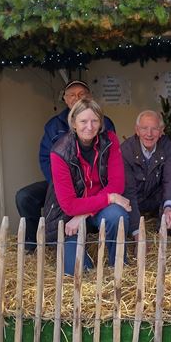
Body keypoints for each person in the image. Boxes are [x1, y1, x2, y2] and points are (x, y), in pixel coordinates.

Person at [16, 80, 115, 252]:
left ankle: (92, 236)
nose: (76, 98)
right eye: (71, 95)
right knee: (25, 196)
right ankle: (33, 246)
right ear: (65, 98)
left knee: (108, 210)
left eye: (81, 94)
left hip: (94, 183)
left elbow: (109, 158)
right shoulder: (53, 125)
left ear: (89, 96)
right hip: (60, 182)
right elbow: (45, 158)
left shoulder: (104, 122)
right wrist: (61, 185)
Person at [43, 97, 130, 274]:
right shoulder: (59, 152)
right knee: (75, 271)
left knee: (116, 215)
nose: (89, 127)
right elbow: (69, 205)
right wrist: (110, 197)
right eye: (83, 121)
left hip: (96, 209)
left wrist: (85, 214)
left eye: (94, 121)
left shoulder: (110, 141)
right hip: (69, 216)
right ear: (73, 123)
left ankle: (119, 268)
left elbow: (117, 184)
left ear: (100, 123)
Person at [121, 110, 171, 239]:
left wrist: (169, 208)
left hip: (155, 198)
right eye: (144, 128)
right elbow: (129, 192)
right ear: (136, 130)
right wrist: (137, 233)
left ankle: (165, 234)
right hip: (135, 200)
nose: (149, 134)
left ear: (162, 130)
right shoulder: (126, 150)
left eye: (154, 129)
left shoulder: (168, 146)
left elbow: (170, 179)